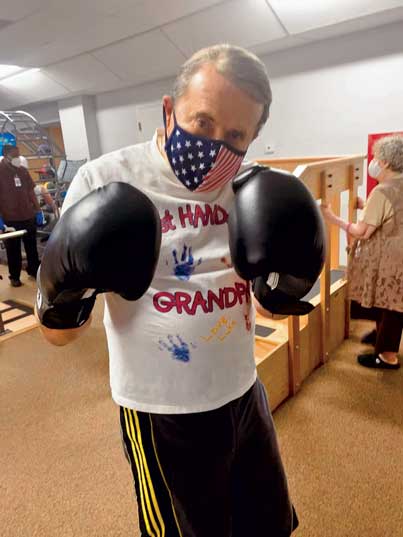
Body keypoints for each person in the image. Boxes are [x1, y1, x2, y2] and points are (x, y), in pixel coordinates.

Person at [35, 44, 325, 536]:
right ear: (169, 112)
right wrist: (64, 293)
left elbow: (267, 311)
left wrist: (285, 285)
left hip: (242, 391)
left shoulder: (246, 189)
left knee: (268, 525)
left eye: (235, 135)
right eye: (202, 123)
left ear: (254, 137)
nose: (216, 144)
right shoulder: (105, 179)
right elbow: (58, 336)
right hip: (161, 411)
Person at [321, 134, 403, 370]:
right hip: (397, 254)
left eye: (377, 157)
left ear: (386, 162)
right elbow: (390, 213)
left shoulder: (382, 191)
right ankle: (381, 336)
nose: (374, 162)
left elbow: (362, 231)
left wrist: (333, 218)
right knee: (391, 299)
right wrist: (365, 205)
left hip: (391, 257)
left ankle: (387, 356)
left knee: (390, 304)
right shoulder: (395, 186)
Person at [0, 145, 44, 286]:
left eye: (19, 155)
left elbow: (31, 192)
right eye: (15, 156)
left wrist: (38, 210)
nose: (18, 159)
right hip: (10, 218)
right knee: (13, 251)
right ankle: (15, 276)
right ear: (6, 155)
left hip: (28, 215)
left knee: (32, 247)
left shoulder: (23, 171)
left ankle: (33, 270)